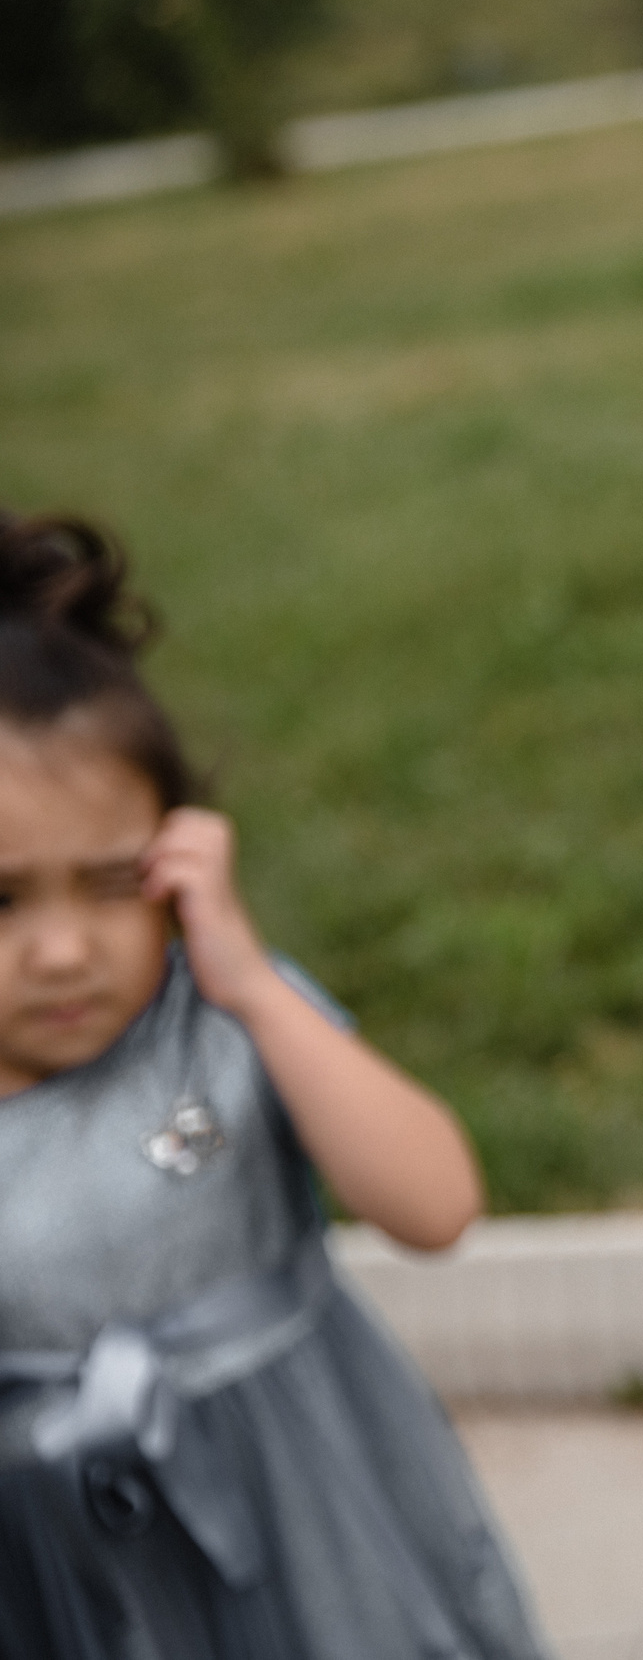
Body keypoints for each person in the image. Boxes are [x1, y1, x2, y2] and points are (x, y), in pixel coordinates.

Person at [0, 513, 550, 1659]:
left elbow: (435, 1204)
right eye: (3, 902)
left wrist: (248, 981)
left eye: (109, 884)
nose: (58, 951)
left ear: (177, 858)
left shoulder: (226, 1017)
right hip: (66, 1577)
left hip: (325, 1531)